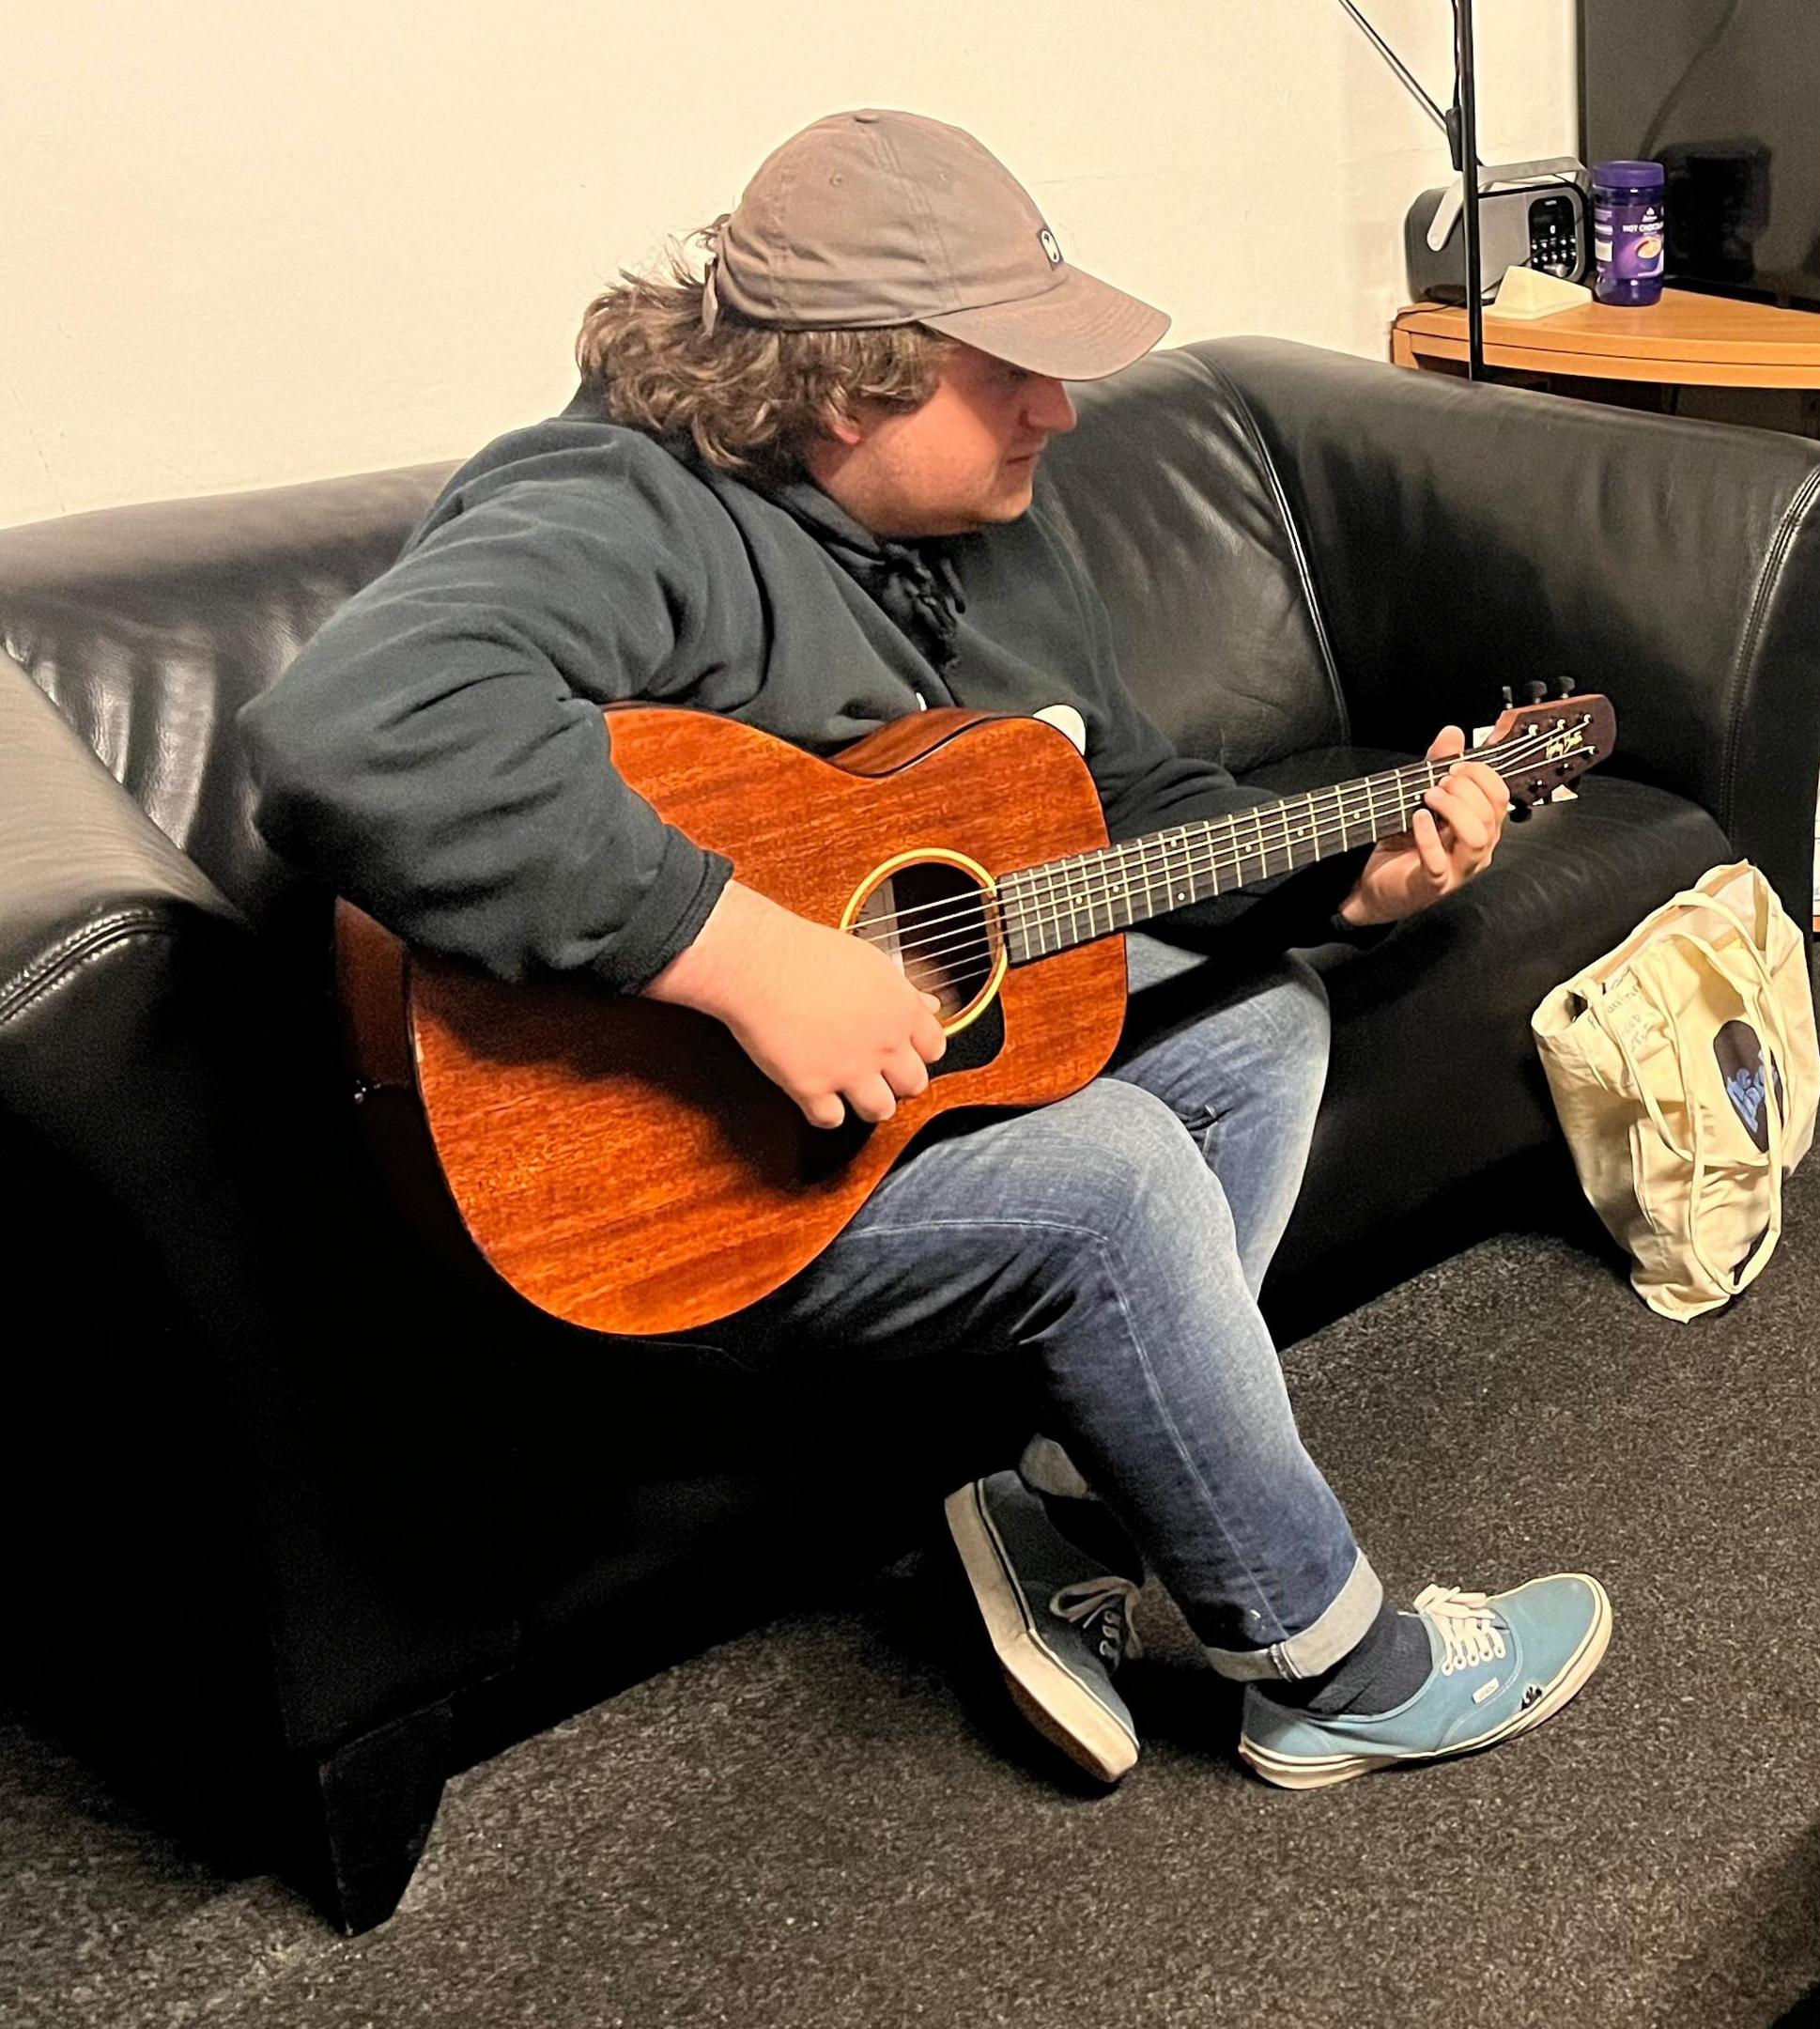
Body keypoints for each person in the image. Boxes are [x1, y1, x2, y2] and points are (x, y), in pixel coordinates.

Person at [241, 110, 1610, 1793]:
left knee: (1265, 1030)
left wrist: (1352, 887)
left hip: (892, 1109)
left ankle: (1053, 1508)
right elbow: (346, 729)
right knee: (1113, 1177)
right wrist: (743, 955)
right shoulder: (619, 506)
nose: (1062, 406)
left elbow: (1108, 800)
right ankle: (1330, 1669)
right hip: (666, 1175)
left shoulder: (994, 522)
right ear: (845, 388)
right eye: (1010, 370)